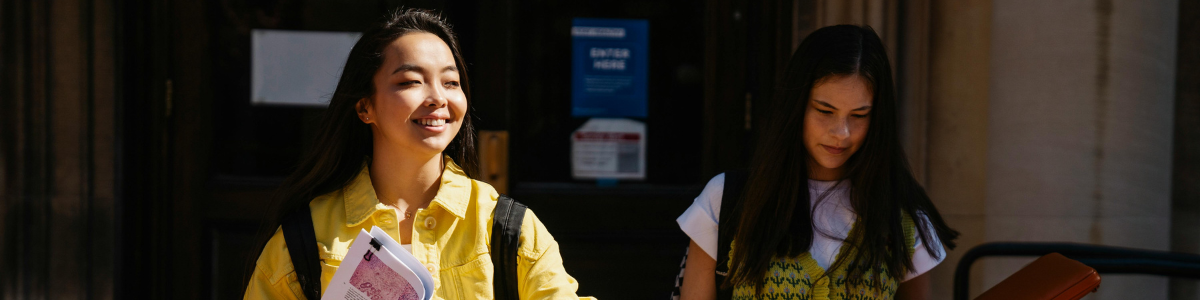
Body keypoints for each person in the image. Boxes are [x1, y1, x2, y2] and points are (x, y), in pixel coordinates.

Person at [243, 9, 590, 300]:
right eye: (411, 82)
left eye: (451, 82)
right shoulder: (306, 236)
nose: (438, 98)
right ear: (365, 107)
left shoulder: (506, 230)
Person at [676, 25, 959, 300]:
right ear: (796, 105)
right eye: (825, 110)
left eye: (859, 115)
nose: (841, 133)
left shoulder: (902, 217)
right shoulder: (729, 200)